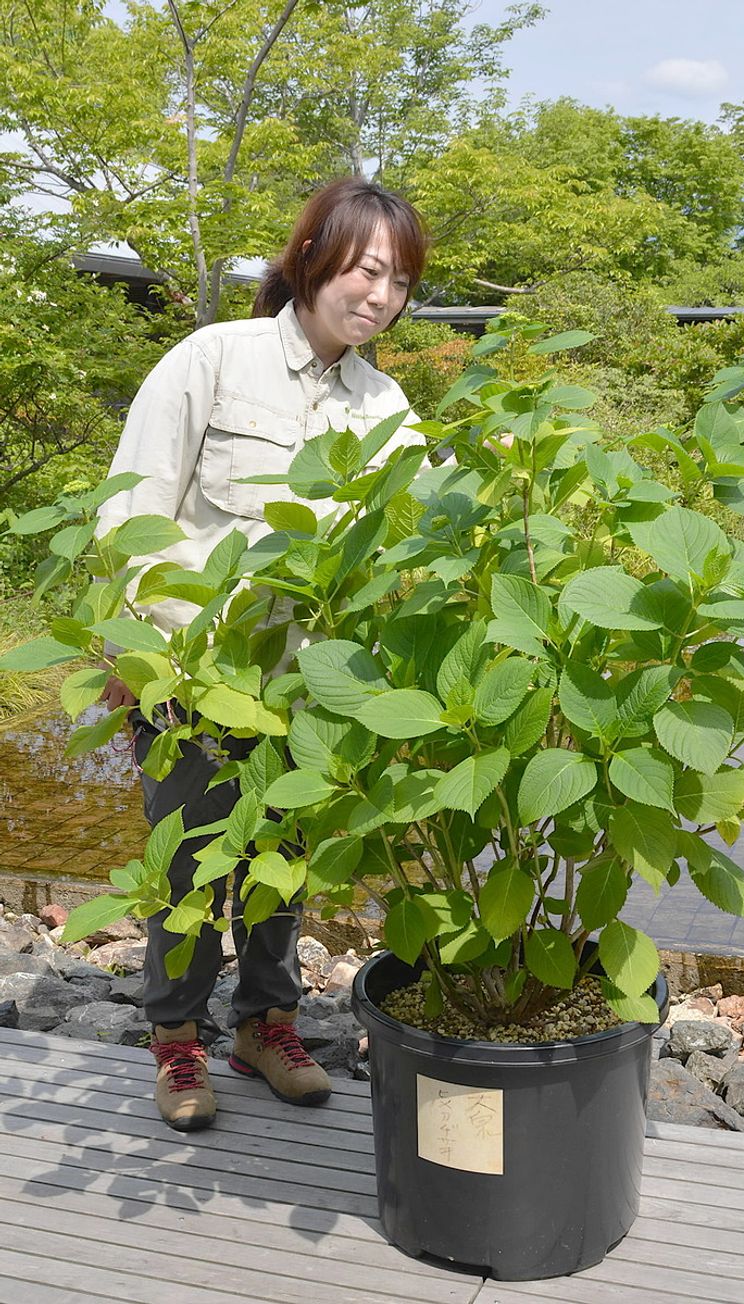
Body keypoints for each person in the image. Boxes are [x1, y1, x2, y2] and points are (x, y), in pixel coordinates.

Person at [96, 178, 429, 1132]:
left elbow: (427, 517)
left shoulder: (384, 402)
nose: (380, 295)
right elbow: (132, 515)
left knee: (286, 862)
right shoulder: (215, 358)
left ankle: (266, 1025)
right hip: (196, 676)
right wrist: (150, 655)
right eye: (367, 269)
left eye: (399, 281)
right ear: (314, 255)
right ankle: (177, 1042)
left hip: (307, 693)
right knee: (193, 865)